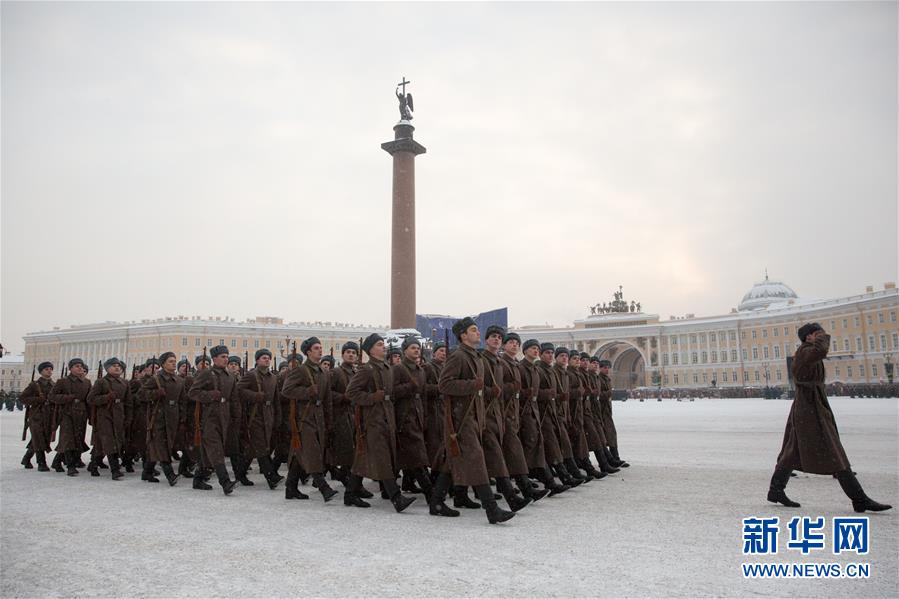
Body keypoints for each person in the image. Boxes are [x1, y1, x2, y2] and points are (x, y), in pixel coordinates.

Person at [768, 323, 891, 512]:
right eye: (817, 333)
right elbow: (820, 351)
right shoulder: (805, 351)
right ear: (808, 337)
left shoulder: (807, 351)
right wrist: (822, 339)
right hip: (809, 406)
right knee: (834, 451)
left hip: (810, 405)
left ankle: (776, 490)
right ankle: (859, 498)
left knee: (792, 450)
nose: (822, 336)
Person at [436, 317, 515, 524]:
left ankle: (436, 501)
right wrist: (472, 385)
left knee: (450, 461)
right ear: (463, 335)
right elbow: (444, 385)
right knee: (477, 460)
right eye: (473, 330)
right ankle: (491, 509)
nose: (478, 333)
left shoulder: (475, 357)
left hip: (474, 416)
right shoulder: (458, 356)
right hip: (461, 419)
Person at [345, 333, 416, 512]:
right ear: (370, 349)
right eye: (379, 344)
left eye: (383, 343)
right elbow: (351, 393)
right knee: (383, 458)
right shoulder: (367, 369)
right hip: (373, 420)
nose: (383, 346)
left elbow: (391, 392)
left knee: (363, 459)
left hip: (387, 417)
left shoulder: (386, 368)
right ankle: (396, 497)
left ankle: (350, 494)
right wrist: (371, 397)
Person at [280, 337, 338, 502]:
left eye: (320, 347)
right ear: (308, 352)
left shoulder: (324, 373)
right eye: (316, 348)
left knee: (301, 453)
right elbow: (287, 390)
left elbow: (328, 400)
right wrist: (307, 392)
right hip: (304, 418)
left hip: (318, 418)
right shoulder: (300, 370)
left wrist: (329, 420)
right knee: (312, 453)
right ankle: (323, 488)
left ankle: (290, 488)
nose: (320, 350)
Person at [188, 346, 237, 495]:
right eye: (222, 356)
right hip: (209, 417)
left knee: (208, 450)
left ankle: (198, 479)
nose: (226, 359)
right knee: (216, 450)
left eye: (227, 356)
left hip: (224, 416)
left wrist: (235, 417)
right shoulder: (207, 374)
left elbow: (234, 399)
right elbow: (193, 393)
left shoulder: (230, 376)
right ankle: (225, 482)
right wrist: (209, 395)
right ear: (214, 359)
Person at [391, 336, 433, 498]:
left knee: (412, 454)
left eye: (418, 348)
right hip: (404, 416)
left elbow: (422, 396)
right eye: (412, 348)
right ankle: (431, 494)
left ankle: (406, 483)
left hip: (417, 415)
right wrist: (409, 387)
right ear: (405, 351)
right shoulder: (399, 369)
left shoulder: (421, 370)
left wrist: (424, 416)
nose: (416, 350)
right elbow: (392, 392)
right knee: (417, 456)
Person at [236, 348, 283, 490]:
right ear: (257, 360)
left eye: (268, 357)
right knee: (261, 446)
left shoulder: (273, 377)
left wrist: (278, 417)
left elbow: (276, 400)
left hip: (268, 414)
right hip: (255, 415)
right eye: (263, 357)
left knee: (253, 448)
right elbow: (238, 390)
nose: (267, 359)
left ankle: (240, 473)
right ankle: (271, 477)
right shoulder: (251, 375)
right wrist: (254, 396)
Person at [141, 352, 183, 485]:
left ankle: (147, 472)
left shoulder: (179, 380)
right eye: (170, 361)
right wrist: (155, 393)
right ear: (163, 364)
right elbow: (140, 395)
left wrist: (182, 417)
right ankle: (170, 475)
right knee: (162, 445)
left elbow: (182, 400)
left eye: (174, 361)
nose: (173, 363)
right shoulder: (156, 379)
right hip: (158, 416)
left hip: (173, 416)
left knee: (161, 445)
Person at [326, 342, 363, 489]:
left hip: (354, 415)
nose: (351, 355)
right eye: (348, 352)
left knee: (353, 450)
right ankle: (348, 481)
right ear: (342, 355)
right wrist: (343, 398)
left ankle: (350, 482)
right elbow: (327, 393)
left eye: (354, 352)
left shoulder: (356, 373)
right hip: (340, 415)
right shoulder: (335, 372)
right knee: (346, 450)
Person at [87, 358, 131, 480]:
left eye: (119, 366)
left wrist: (128, 418)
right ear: (107, 368)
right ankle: (115, 470)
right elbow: (91, 399)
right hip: (105, 415)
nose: (117, 368)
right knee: (110, 441)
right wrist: (106, 397)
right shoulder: (101, 382)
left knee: (109, 442)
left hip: (119, 415)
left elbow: (128, 403)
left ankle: (94, 464)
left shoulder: (124, 383)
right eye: (114, 366)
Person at [49, 358, 93, 476]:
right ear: (71, 368)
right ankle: (71, 466)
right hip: (67, 413)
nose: (80, 368)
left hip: (81, 414)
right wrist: (67, 398)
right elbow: (52, 396)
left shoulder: (87, 382)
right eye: (77, 366)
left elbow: (89, 400)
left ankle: (57, 461)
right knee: (68, 440)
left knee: (78, 439)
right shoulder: (63, 382)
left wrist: (91, 417)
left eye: (81, 366)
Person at [20, 361, 55, 471]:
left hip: (49, 416)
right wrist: (38, 400)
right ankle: (41, 463)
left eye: (50, 369)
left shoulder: (54, 385)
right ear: (41, 372)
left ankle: (26, 459)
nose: (49, 371)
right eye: (46, 369)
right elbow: (23, 398)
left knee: (41, 438)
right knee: (39, 438)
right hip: (37, 416)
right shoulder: (34, 385)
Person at [597, 359, 628, 467]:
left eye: (608, 367)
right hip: (602, 412)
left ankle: (615, 458)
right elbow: (598, 395)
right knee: (606, 436)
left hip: (607, 412)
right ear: (600, 368)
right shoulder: (599, 379)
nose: (607, 369)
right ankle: (610, 459)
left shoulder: (607, 379)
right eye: (604, 367)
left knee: (611, 435)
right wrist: (608, 393)